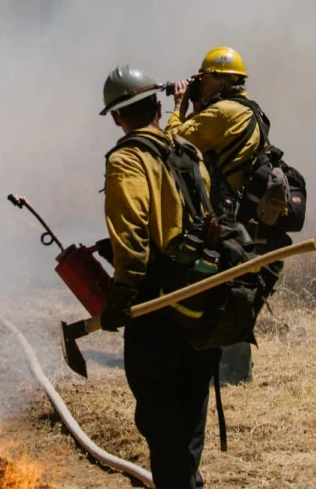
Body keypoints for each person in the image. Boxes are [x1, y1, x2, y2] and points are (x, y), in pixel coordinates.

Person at [98, 64, 219, 488]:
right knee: (189, 409)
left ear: (116, 116)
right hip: (202, 300)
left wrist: (119, 299)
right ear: (155, 105)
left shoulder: (128, 159)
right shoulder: (188, 151)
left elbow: (133, 239)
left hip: (158, 307)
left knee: (158, 413)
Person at [165, 46, 280, 385]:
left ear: (219, 79)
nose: (199, 84)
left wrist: (178, 107)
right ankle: (234, 368)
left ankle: (220, 366)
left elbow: (174, 141)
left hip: (226, 215)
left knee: (220, 288)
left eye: (203, 79)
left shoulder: (222, 114)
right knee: (236, 286)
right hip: (241, 214)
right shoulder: (247, 109)